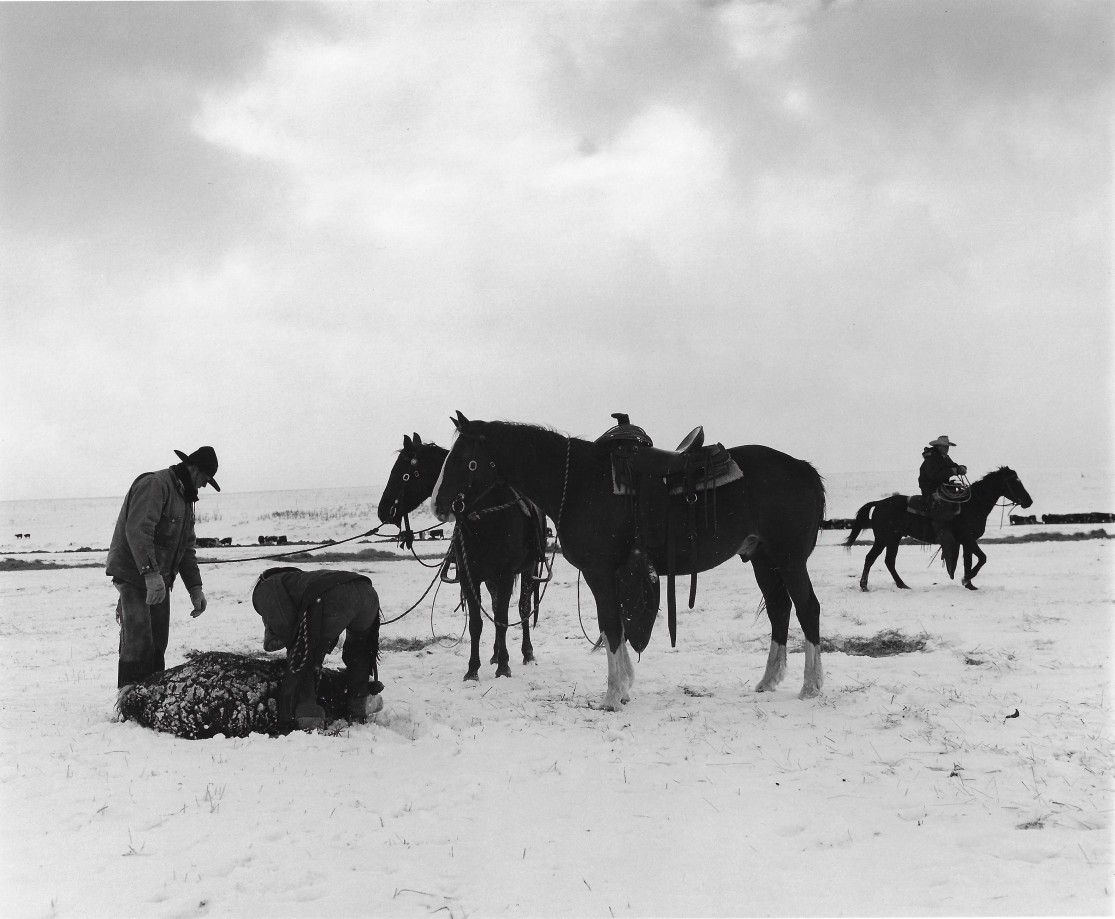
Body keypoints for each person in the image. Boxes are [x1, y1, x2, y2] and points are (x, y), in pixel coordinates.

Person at [107, 446, 219, 713]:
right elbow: (138, 530)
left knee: (158, 641)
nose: (204, 485)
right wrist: (150, 573)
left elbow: (186, 549)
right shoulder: (155, 485)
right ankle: (128, 705)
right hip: (134, 574)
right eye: (205, 478)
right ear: (193, 469)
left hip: (159, 578)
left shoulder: (186, 500)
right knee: (139, 640)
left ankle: (151, 702)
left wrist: (195, 588)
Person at [252, 567, 383, 731]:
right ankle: (360, 701)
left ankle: (308, 715)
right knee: (360, 650)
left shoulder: (265, 589)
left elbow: (288, 630)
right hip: (367, 592)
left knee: (306, 657)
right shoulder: (298, 580)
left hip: (334, 596)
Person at [917, 435, 967, 577]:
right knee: (942, 510)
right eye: (945, 446)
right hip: (931, 490)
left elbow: (953, 466)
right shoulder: (931, 459)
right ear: (938, 447)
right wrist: (953, 471)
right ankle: (940, 534)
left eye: (947, 446)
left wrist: (960, 468)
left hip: (942, 488)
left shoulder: (944, 457)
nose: (947, 448)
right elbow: (934, 475)